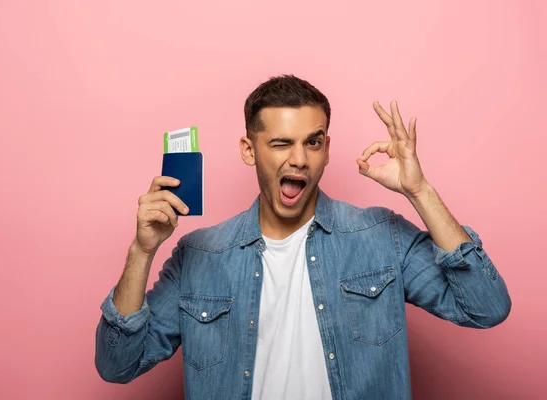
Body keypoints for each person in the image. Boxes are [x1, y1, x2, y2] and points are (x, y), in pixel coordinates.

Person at [94, 75, 511, 400]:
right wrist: (141, 252)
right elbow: (118, 365)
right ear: (248, 149)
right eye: (280, 143)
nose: (298, 159)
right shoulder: (199, 255)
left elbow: (486, 308)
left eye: (312, 143)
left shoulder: (381, 236)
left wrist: (419, 192)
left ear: (327, 149)